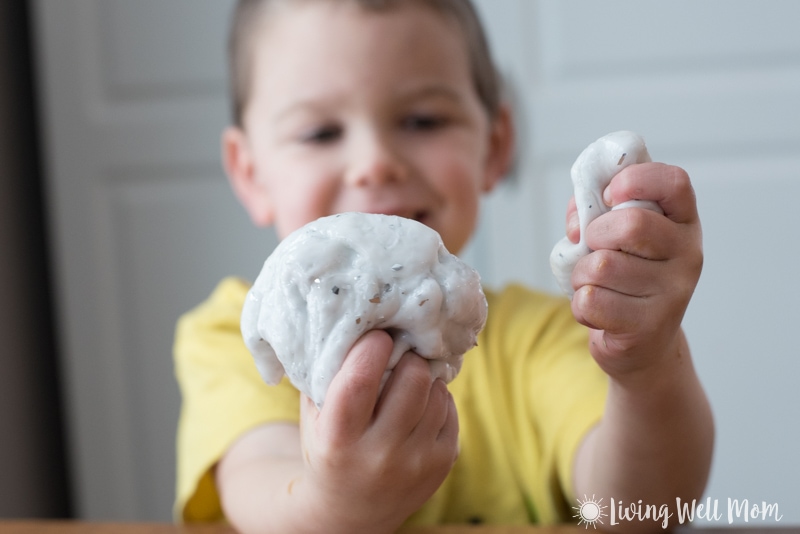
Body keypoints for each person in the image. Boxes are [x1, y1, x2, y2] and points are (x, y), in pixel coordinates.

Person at [173, 0, 714, 532]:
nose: (375, 162)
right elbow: (257, 481)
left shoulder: (540, 340)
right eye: (321, 133)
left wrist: (645, 364)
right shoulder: (241, 339)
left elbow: (643, 512)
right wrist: (331, 503)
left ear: (494, 145)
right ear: (250, 173)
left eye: (422, 120)